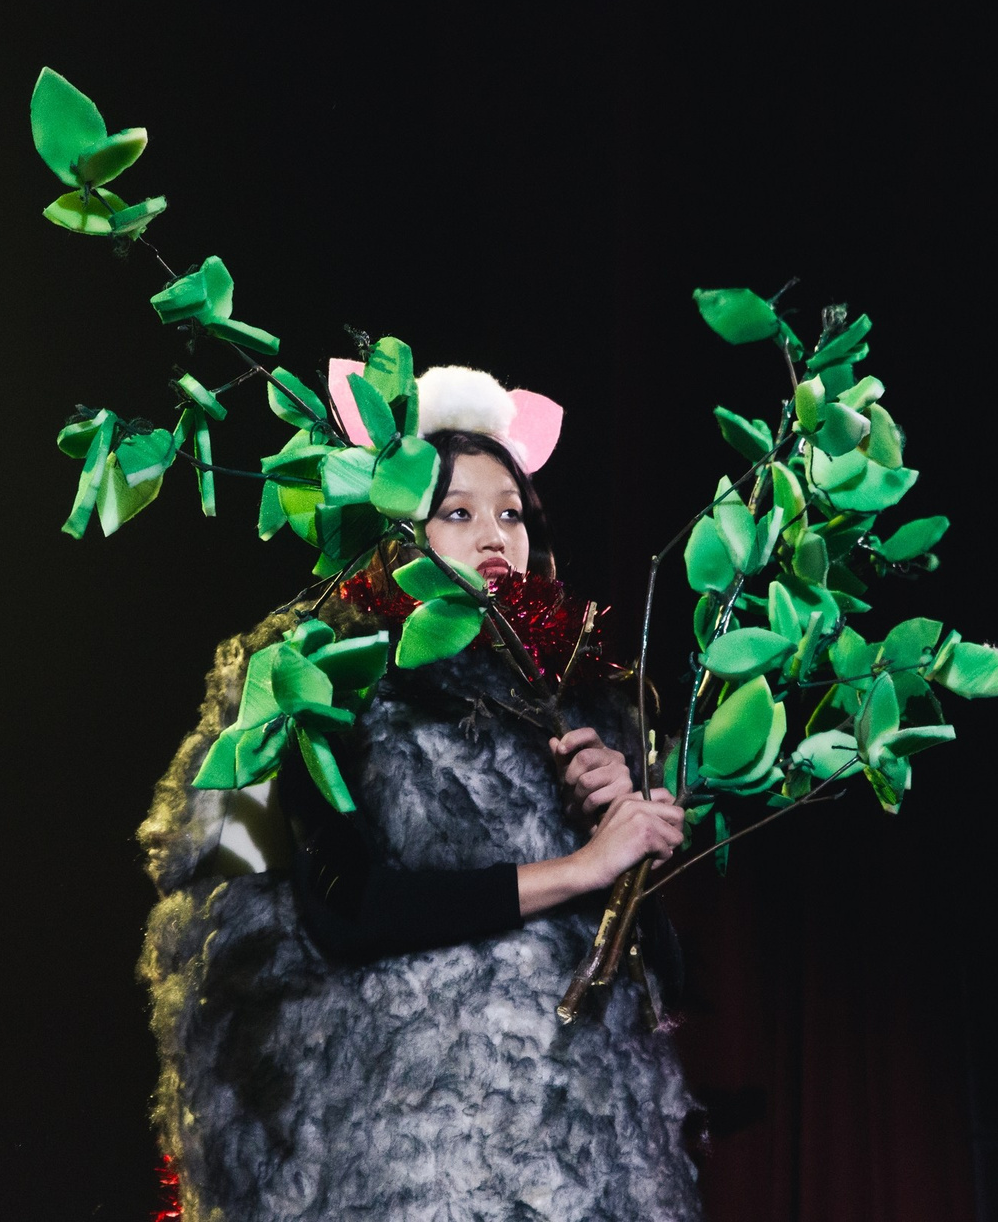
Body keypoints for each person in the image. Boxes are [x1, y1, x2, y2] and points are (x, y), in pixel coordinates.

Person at [137, 366, 704, 1221]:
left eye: (511, 513)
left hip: (577, 1160)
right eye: (458, 513)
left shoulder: (584, 707)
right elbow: (345, 913)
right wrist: (583, 868)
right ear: (399, 532)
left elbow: (664, 984)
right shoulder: (335, 683)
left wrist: (621, 831)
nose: (494, 537)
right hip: (410, 1153)